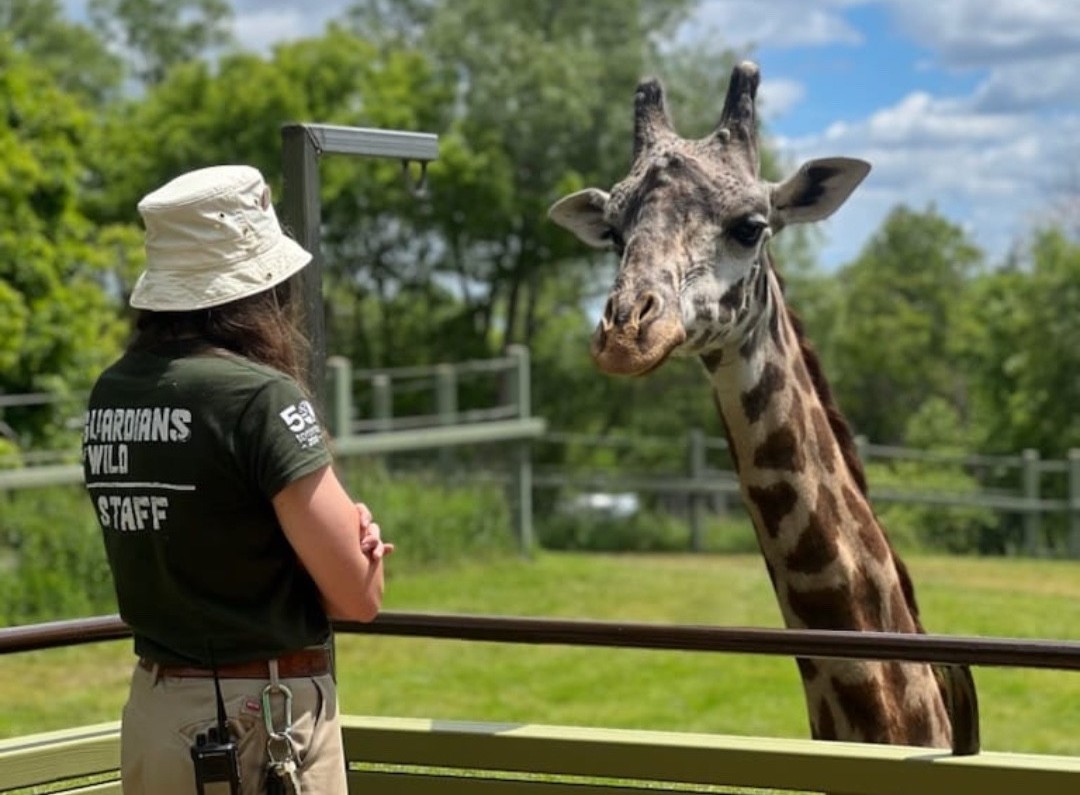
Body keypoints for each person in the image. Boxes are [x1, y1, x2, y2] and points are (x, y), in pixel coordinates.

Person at [81, 164, 393, 795]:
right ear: (259, 287)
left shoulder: (112, 392)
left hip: (154, 713)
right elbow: (358, 596)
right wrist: (362, 543)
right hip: (261, 729)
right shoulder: (261, 398)